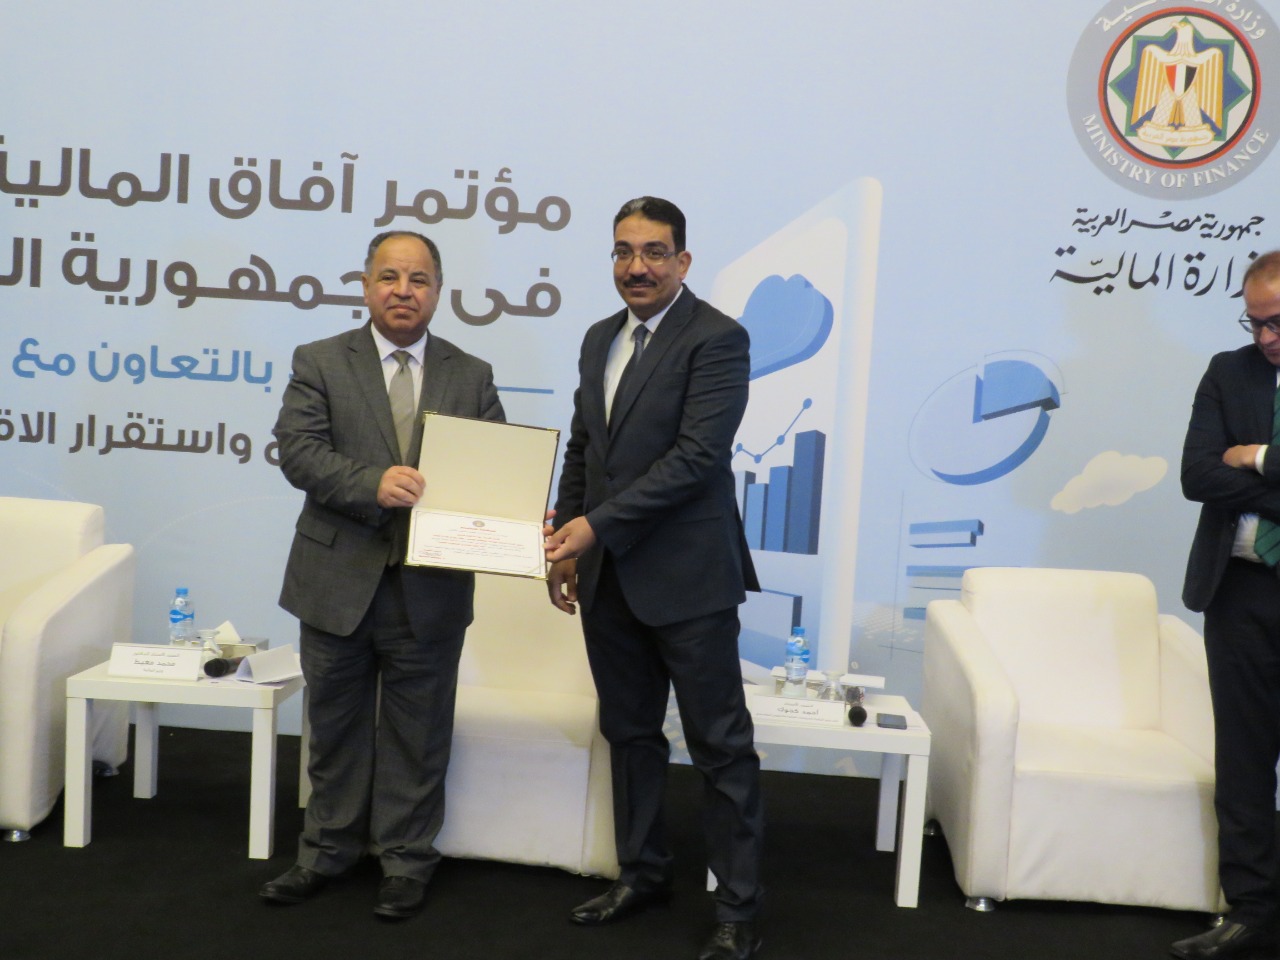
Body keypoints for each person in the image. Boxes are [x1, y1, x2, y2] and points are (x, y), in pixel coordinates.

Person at [544, 197, 764, 960]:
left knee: (720, 748)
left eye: (654, 252)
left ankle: (737, 909)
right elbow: (586, 447)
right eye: (623, 251)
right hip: (608, 577)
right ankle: (641, 875)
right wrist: (567, 541)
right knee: (630, 736)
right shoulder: (597, 338)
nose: (636, 267)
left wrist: (595, 526)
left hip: (689, 579)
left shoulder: (718, 339)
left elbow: (696, 459)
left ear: (683, 261)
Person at [261, 230, 504, 920]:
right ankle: (325, 853)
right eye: (390, 277)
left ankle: (405, 861)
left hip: (430, 587)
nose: (404, 291)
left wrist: (512, 515)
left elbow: (492, 469)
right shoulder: (319, 361)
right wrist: (372, 483)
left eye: (419, 280)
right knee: (333, 728)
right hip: (336, 580)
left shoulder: (471, 374)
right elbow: (298, 450)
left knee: (418, 736)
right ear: (366, 286)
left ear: (438, 291)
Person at [1176, 250, 1280, 960]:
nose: (1265, 337)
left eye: (1277, 323)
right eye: (1255, 323)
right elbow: (1197, 475)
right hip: (1239, 591)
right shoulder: (1227, 371)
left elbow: (1230, 470)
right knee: (1243, 761)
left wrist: (1257, 457)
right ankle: (1251, 911)